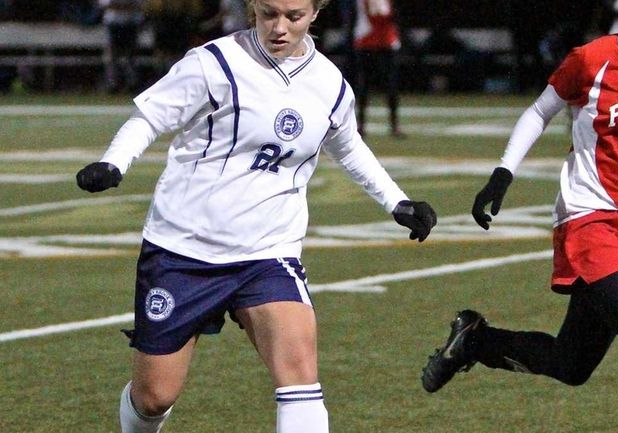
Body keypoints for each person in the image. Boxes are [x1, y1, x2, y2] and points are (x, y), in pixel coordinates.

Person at [75, 0, 437, 432]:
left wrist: (397, 201)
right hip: (183, 249)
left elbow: (347, 144)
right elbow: (149, 118)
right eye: (268, 14)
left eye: (294, 16)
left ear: (315, 13)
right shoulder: (214, 63)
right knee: (155, 397)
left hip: (268, 253)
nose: (279, 27)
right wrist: (114, 162)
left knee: (300, 376)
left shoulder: (329, 84)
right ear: (252, 9)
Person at [421, 1, 618, 433]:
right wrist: (502, 173)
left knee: (572, 363)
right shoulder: (593, 58)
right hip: (591, 219)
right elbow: (539, 111)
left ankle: (475, 340)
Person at [350, 0, 404, 138]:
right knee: (365, 85)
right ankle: (362, 125)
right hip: (369, 39)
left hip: (382, 40)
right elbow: (382, 13)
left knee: (388, 84)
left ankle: (393, 125)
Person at [98, 0, 144, 93]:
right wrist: (125, 6)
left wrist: (121, 6)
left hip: (131, 23)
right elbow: (105, 4)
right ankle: (113, 84)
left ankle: (132, 84)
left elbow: (139, 4)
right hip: (113, 23)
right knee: (112, 55)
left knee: (131, 55)